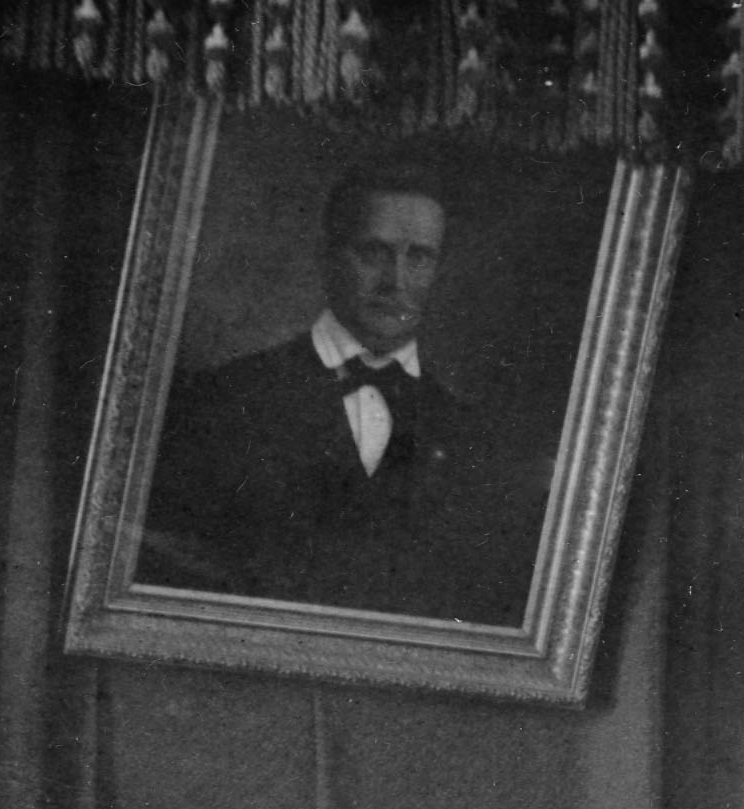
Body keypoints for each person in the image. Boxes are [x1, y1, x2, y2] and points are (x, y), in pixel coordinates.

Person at [142, 159, 523, 624]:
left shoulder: (472, 435)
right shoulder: (226, 398)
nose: (396, 282)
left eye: (418, 257)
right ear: (326, 256)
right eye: (374, 252)